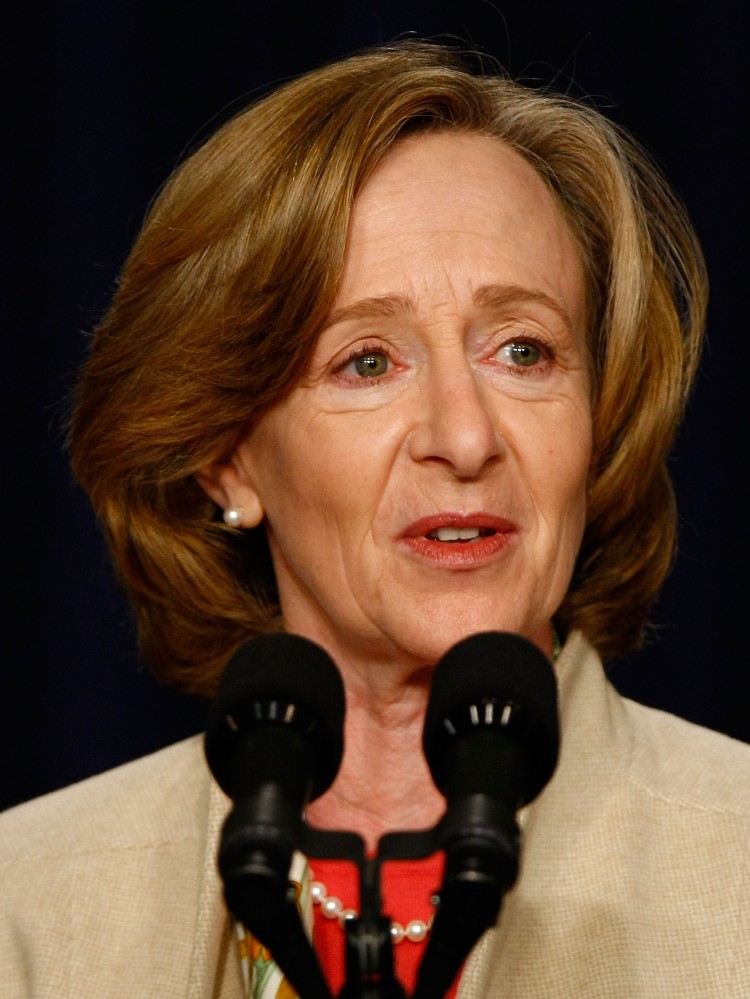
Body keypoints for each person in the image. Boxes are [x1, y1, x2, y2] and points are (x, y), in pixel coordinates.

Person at [1, 40, 749, 999]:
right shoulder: (31, 913)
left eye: (524, 350)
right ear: (227, 451)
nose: (466, 435)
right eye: (366, 362)